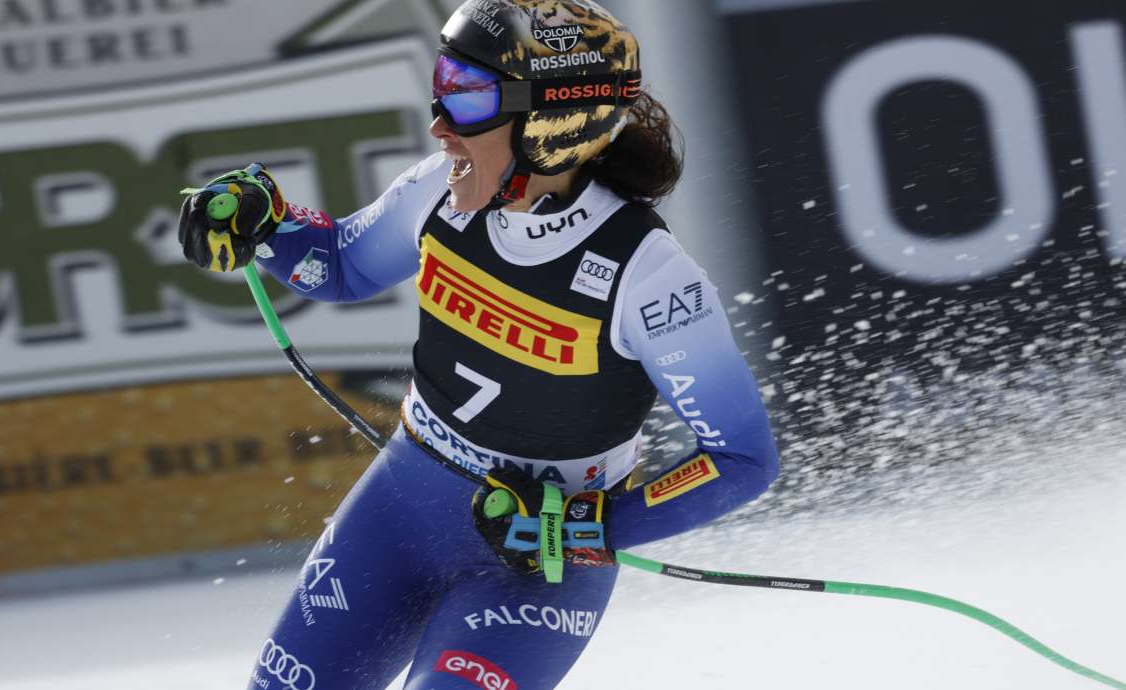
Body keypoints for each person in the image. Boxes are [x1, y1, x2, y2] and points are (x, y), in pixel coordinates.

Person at [177, 1, 779, 688]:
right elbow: (342, 265)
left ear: (551, 121)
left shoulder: (648, 275)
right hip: (398, 514)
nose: (439, 124)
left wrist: (585, 526)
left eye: (466, 97)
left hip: (534, 565)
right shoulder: (437, 191)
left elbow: (741, 460)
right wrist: (270, 222)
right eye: (443, 84)